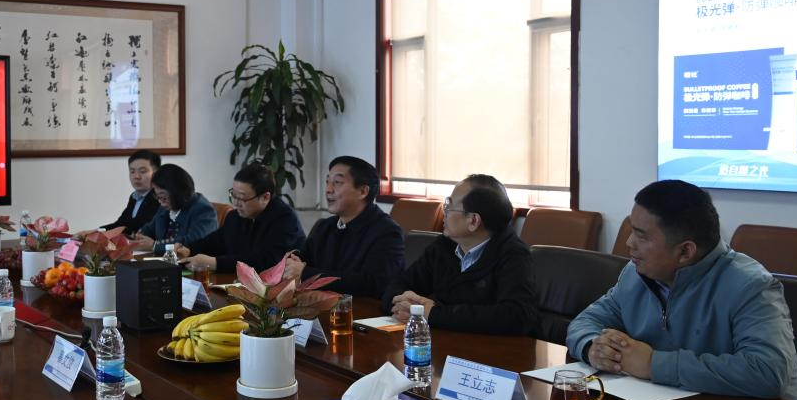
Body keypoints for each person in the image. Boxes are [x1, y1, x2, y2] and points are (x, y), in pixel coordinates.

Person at [566, 180, 797, 400]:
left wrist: (652, 364)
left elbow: (767, 372)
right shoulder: (636, 274)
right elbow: (586, 321)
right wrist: (593, 348)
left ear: (685, 252)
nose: (629, 243)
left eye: (641, 236)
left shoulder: (751, 286)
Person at [382, 174, 537, 335]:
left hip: (492, 348)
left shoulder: (514, 255)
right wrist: (402, 305)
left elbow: (516, 316)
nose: (444, 212)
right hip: (442, 341)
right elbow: (400, 283)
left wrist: (432, 314)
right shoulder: (444, 245)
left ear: (473, 221)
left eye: (449, 206)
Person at [282, 156, 403, 298]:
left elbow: (375, 284)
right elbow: (302, 260)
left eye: (337, 182)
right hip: (319, 305)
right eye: (327, 182)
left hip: (362, 309)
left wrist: (305, 273)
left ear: (363, 191)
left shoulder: (387, 232)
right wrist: (291, 263)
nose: (328, 189)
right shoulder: (324, 227)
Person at [177, 163, 305, 274]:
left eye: (242, 198)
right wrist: (189, 250)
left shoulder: (285, 219)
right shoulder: (236, 216)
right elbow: (217, 241)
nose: (236, 203)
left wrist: (215, 263)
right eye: (233, 195)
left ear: (265, 197)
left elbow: (267, 262)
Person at [133, 164, 218, 253]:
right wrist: (140, 236)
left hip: (192, 260)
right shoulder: (166, 206)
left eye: (164, 197)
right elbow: (150, 228)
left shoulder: (203, 210)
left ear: (178, 193)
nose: (161, 202)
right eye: (158, 197)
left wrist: (155, 246)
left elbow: (193, 242)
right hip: (165, 259)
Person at [97, 149, 162, 234]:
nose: (136, 176)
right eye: (132, 171)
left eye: (142, 171)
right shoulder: (134, 197)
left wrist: (98, 232)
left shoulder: (159, 198)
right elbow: (121, 224)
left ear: (156, 173)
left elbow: (133, 226)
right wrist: (96, 231)